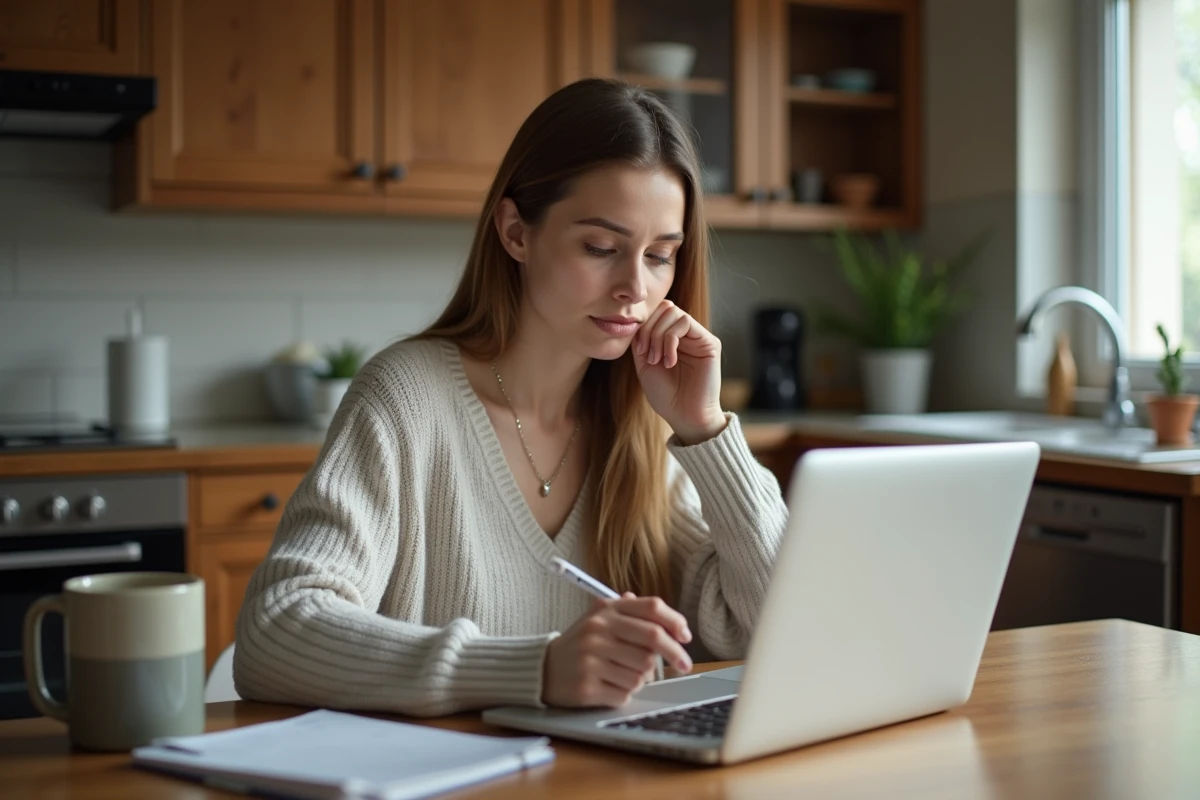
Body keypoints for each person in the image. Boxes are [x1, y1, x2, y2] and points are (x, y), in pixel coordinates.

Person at [233, 78, 788, 717]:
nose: (635, 288)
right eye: (601, 248)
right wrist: (536, 669)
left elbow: (770, 631)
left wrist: (706, 430)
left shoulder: (646, 424)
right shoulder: (408, 399)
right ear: (516, 232)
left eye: (660, 255)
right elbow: (275, 632)